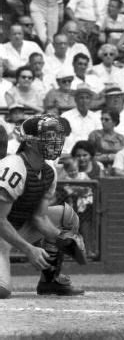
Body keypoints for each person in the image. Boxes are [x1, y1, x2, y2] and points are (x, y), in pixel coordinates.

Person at [0, 114, 86, 298]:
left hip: (15, 228)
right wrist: (28, 249)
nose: (54, 141)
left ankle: (50, 280)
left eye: (56, 136)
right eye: (48, 136)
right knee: (1, 290)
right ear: (29, 142)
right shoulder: (13, 168)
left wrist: (64, 239)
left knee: (66, 216)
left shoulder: (49, 171)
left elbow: (39, 218)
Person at [88, 109, 124, 174]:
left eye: (106, 120)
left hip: (118, 168)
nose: (103, 122)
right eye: (102, 119)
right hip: (99, 167)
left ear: (114, 122)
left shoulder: (121, 138)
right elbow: (89, 156)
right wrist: (108, 157)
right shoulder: (94, 135)